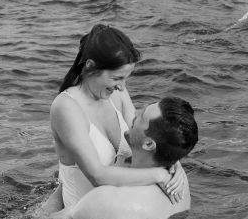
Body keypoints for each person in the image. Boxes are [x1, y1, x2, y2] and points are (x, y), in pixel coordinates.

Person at [48, 23, 185, 209]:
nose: (122, 86)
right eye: (117, 78)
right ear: (90, 66)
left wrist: (172, 162)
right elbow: (97, 175)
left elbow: (144, 137)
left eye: (126, 78)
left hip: (119, 210)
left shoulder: (117, 95)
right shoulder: (67, 107)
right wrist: (159, 174)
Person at [51, 96, 198, 219]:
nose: (135, 113)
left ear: (148, 144)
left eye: (142, 116)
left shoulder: (106, 199)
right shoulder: (180, 182)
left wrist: (63, 184)